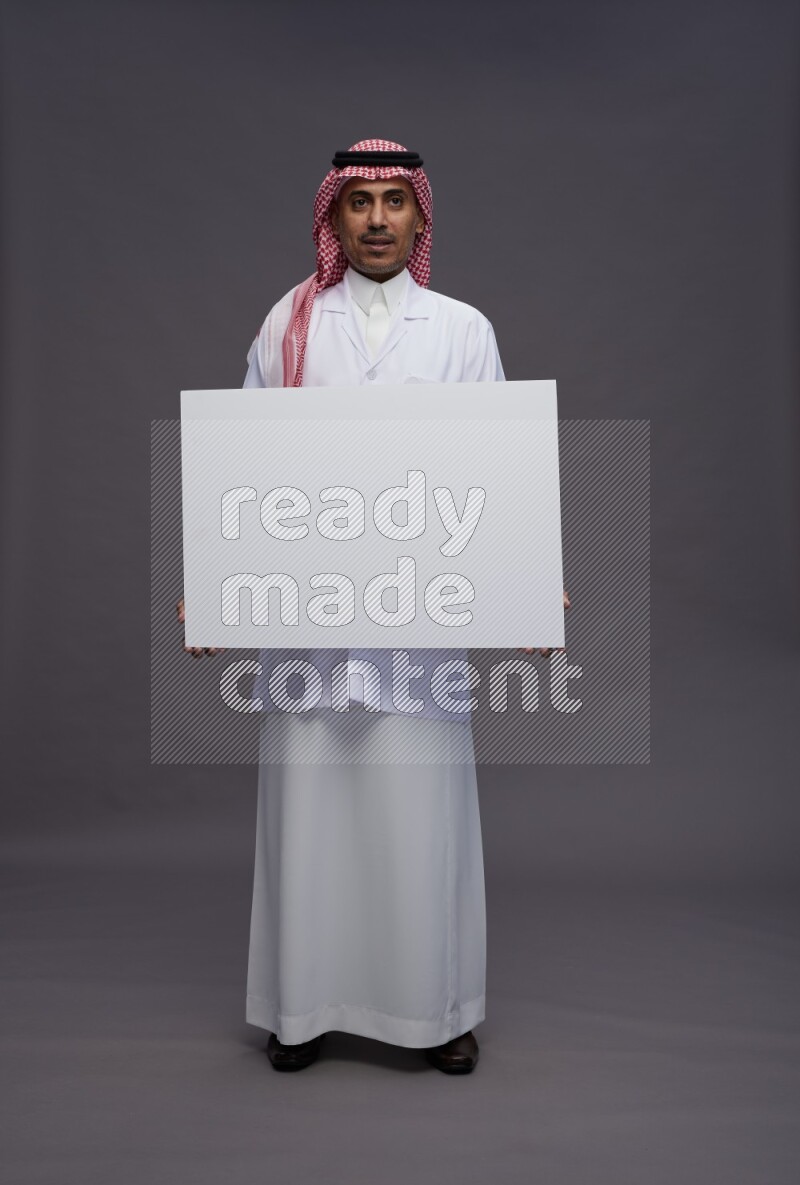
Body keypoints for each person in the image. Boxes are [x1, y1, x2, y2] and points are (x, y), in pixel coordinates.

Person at [179, 139, 563, 1073]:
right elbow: (247, 469)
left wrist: (530, 582)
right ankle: (300, 1008)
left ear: (421, 218)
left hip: (419, 627)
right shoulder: (289, 326)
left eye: (397, 202)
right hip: (308, 624)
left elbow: (497, 471)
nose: (380, 219)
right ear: (334, 217)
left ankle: (441, 1011)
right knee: (310, 811)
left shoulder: (462, 330)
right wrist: (214, 585)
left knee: (418, 811)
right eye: (361, 204)